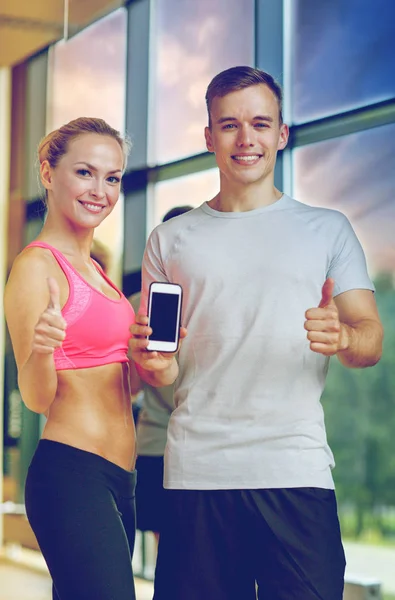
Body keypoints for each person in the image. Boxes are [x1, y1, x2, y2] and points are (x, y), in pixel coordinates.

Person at [129, 66, 384, 600]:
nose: (246, 138)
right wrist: (155, 365)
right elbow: (166, 362)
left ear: (282, 134)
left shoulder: (327, 228)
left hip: (295, 468)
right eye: (229, 125)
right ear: (208, 137)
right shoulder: (169, 240)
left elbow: (370, 340)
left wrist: (343, 338)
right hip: (196, 474)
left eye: (261, 123)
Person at [4, 117, 138, 600]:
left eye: (112, 177)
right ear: (47, 173)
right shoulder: (37, 265)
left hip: (120, 478)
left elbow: (117, 383)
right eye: (85, 172)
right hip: (72, 476)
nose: (99, 190)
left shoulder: (99, 271)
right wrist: (41, 348)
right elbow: (38, 398)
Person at [129, 205, 193, 544]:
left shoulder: (139, 302)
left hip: (161, 442)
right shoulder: (138, 305)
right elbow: (133, 385)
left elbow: (133, 388)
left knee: (170, 549)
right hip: (165, 443)